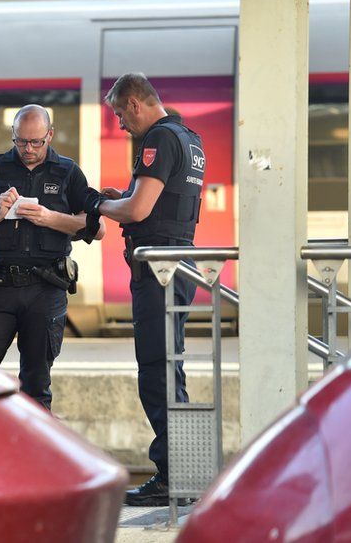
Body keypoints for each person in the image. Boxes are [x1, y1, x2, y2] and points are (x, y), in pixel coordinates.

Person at [83, 72, 205, 506]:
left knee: (156, 369)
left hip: (158, 268)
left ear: (134, 103)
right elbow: (152, 200)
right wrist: (126, 196)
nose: (120, 124)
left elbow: (138, 209)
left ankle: (173, 478)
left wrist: (99, 204)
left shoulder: (157, 138)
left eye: (119, 113)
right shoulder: (189, 138)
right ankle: (185, 474)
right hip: (180, 261)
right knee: (171, 367)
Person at [0, 104, 105, 411]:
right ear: (13, 135)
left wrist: (50, 218)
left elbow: (98, 228)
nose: (28, 149)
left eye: (36, 142)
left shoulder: (68, 172)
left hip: (46, 288)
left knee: (36, 387)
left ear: (49, 135)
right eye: (21, 141)